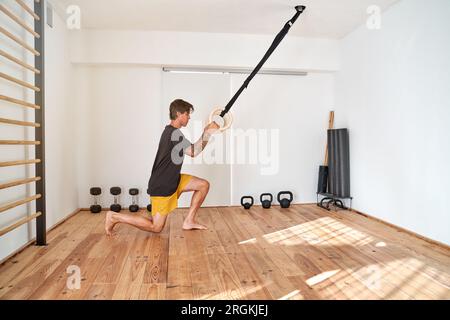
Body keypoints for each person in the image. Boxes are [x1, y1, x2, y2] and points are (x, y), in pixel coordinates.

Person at [105, 99, 219, 236]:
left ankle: (189, 221)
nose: (189, 117)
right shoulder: (173, 134)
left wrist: (207, 132)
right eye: (187, 114)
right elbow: (194, 151)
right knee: (156, 227)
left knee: (203, 185)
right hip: (162, 185)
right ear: (178, 114)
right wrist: (208, 132)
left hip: (174, 180)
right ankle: (114, 217)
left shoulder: (172, 132)